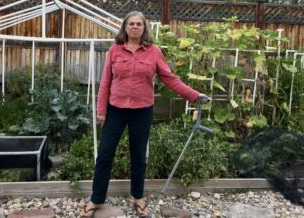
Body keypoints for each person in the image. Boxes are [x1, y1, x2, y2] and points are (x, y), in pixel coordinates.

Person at [80, 11, 209, 217]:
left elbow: (170, 79)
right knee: (105, 154)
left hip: (142, 112)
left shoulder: (154, 52)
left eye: (139, 24)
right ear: (125, 27)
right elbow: (105, 82)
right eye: (131, 24)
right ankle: (96, 198)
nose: (134, 27)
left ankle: (138, 197)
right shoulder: (115, 50)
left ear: (144, 28)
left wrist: (194, 95)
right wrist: (102, 111)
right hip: (115, 111)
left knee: (139, 156)